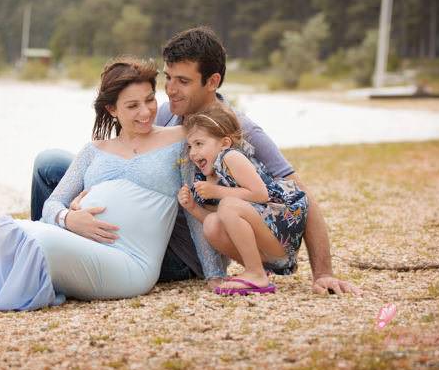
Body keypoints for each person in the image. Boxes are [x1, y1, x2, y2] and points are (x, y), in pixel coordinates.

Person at [26, 26, 361, 296]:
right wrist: (83, 199)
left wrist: (324, 273)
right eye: (168, 78)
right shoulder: (167, 112)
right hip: (135, 217)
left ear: (212, 82)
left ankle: (40, 266)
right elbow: (121, 153)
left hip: (176, 250)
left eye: (183, 81)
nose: (170, 91)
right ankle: (31, 258)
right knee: (50, 165)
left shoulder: (240, 130)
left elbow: (304, 198)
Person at [0, 57, 186, 311]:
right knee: (5, 231)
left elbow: (197, 197)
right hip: (78, 240)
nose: (146, 112)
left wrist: (214, 273)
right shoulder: (94, 150)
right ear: (112, 109)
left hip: (130, 260)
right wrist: (69, 218)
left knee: (35, 241)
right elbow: (53, 203)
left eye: (150, 100)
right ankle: (0, 266)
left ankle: (6, 267)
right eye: (132, 105)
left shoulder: (177, 139)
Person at [177, 104, 308, 295]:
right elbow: (223, 220)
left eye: (199, 144)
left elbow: (260, 194)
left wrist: (216, 191)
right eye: (190, 146)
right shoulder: (208, 175)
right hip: (267, 245)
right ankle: (257, 269)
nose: (193, 153)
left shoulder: (231, 157)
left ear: (224, 143)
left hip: (282, 231)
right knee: (212, 224)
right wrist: (192, 208)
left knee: (228, 205)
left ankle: (256, 274)